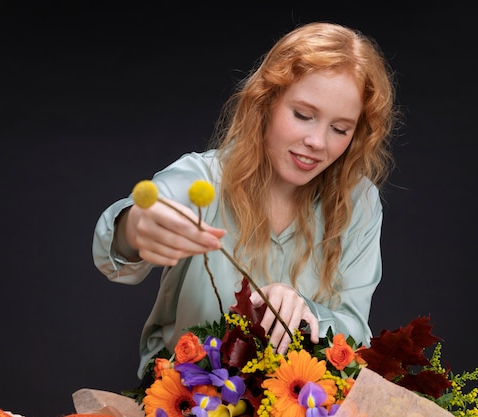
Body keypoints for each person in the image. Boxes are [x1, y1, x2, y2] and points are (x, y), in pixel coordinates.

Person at [92, 21, 398, 380]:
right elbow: (122, 245)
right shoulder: (202, 178)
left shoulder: (358, 201)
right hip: (188, 399)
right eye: (303, 115)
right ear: (266, 102)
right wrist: (136, 227)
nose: (318, 141)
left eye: (340, 129)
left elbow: (356, 333)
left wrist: (305, 311)